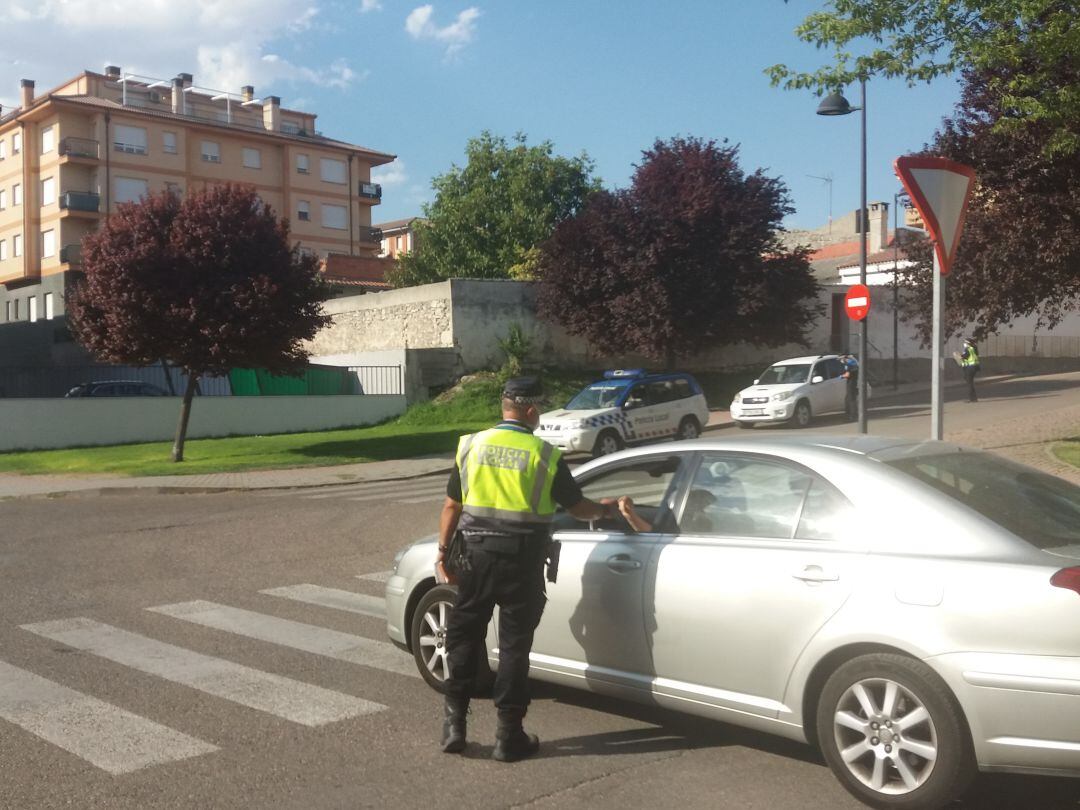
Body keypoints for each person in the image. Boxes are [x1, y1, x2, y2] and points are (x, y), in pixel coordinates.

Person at [436, 376, 622, 762]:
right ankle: (508, 736)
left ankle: (454, 724)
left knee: (464, 637)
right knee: (514, 648)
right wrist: (605, 511)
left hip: (476, 559)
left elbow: (452, 505)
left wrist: (442, 553)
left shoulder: (472, 445)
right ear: (532, 411)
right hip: (522, 563)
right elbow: (578, 509)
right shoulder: (544, 454)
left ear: (505, 407)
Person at [960, 337, 981, 402]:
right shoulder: (974, 348)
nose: (964, 343)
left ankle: (972, 399)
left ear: (968, 343)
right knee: (969, 382)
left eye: (965, 342)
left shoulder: (968, 349)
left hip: (970, 368)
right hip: (974, 367)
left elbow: (964, 357)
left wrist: (959, 356)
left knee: (970, 383)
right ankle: (974, 398)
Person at [841, 354, 859, 421]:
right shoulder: (854, 365)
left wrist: (841, 376)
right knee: (850, 400)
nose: (841, 361)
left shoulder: (849, 365)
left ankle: (852, 416)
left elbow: (847, 375)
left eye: (841, 359)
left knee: (851, 400)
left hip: (851, 384)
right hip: (853, 383)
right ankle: (852, 415)